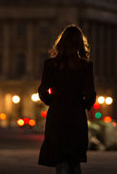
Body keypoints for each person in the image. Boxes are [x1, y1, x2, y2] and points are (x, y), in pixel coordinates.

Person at [38, 25, 96, 174]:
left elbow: (43, 91)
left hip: (57, 115)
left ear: (61, 42)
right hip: (76, 116)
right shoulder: (86, 66)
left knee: (61, 160)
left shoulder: (50, 64)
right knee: (74, 161)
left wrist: (54, 102)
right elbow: (90, 94)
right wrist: (81, 105)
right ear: (79, 44)